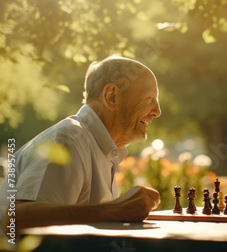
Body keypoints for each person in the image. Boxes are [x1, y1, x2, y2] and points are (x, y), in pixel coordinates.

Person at [1, 56, 162, 237]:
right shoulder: (69, 140)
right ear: (111, 96)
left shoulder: (99, 146)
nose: (157, 111)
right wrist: (116, 210)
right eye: (149, 98)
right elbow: (16, 221)